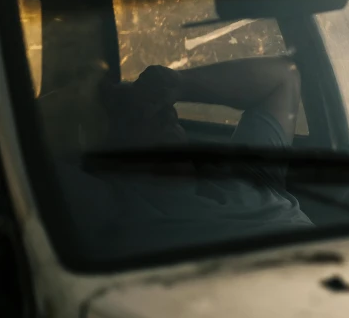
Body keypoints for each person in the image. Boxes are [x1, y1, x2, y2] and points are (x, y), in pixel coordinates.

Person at [85, 55, 314, 244]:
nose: (165, 112)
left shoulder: (247, 176)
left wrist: (180, 84)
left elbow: (284, 75)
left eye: (160, 105)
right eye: (132, 112)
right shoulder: (113, 207)